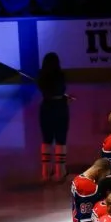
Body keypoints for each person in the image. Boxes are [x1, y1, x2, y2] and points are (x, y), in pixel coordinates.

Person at [37, 52, 70, 182]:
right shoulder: (61, 75)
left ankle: (45, 172)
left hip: (45, 108)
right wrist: (65, 98)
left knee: (47, 139)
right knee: (60, 139)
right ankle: (60, 172)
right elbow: (59, 92)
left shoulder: (41, 77)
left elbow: (48, 92)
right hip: (60, 108)